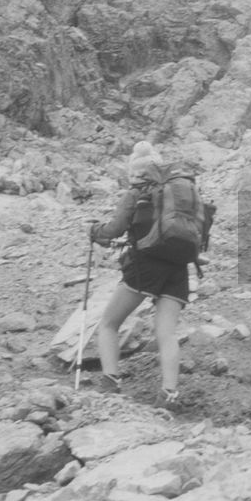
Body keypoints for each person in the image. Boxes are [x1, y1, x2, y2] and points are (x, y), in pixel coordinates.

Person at [89, 141, 186, 406]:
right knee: (166, 334)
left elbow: (115, 229)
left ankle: (111, 383)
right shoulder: (176, 194)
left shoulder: (136, 194)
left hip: (145, 266)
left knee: (108, 324)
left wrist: (96, 232)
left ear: (135, 173)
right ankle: (169, 393)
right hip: (179, 267)